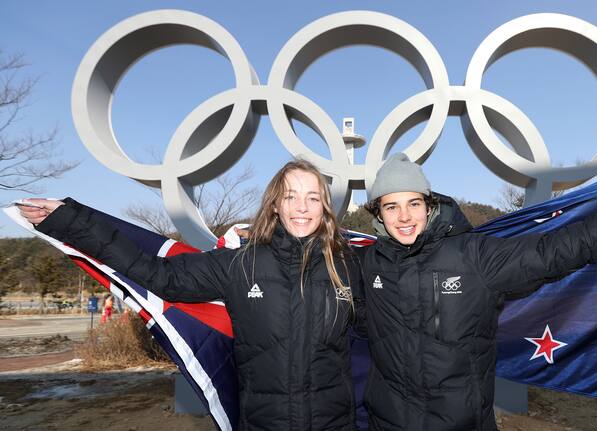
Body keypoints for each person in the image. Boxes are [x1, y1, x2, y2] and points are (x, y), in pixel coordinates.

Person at [355, 147, 597, 430]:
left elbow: (559, 250)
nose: (403, 216)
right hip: (387, 423)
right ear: (378, 215)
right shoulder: (368, 265)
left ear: (430, 206)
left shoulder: (474, 256)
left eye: (413, 203)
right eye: (391, 206)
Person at [18, 160, 364, 430]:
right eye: (290, 196)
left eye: (312, 197)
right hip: (263, 423)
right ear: (274, 205)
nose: (301, 207)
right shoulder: (238, 264)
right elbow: (156, 273)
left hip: (335, 423)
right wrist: (69, 221)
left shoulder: (349, 266)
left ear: (324, 207)